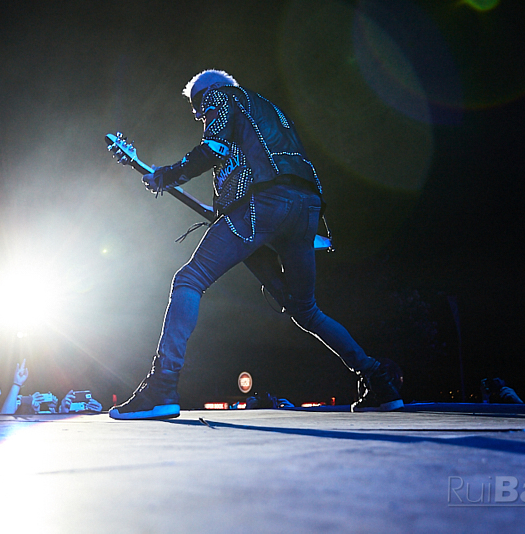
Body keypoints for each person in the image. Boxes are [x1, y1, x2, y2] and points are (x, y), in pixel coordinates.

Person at [109, 70, 404, 420]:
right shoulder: (268, 112)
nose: (199, 114)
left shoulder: (222, 95)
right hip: (306, 208)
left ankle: (161, 387)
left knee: (189, 281)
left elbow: (212, 148)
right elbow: (244, 171)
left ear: (209, 92)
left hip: (265, 205)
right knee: (306, 310)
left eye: (196, 106)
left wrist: (168, 175)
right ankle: (378, 379)